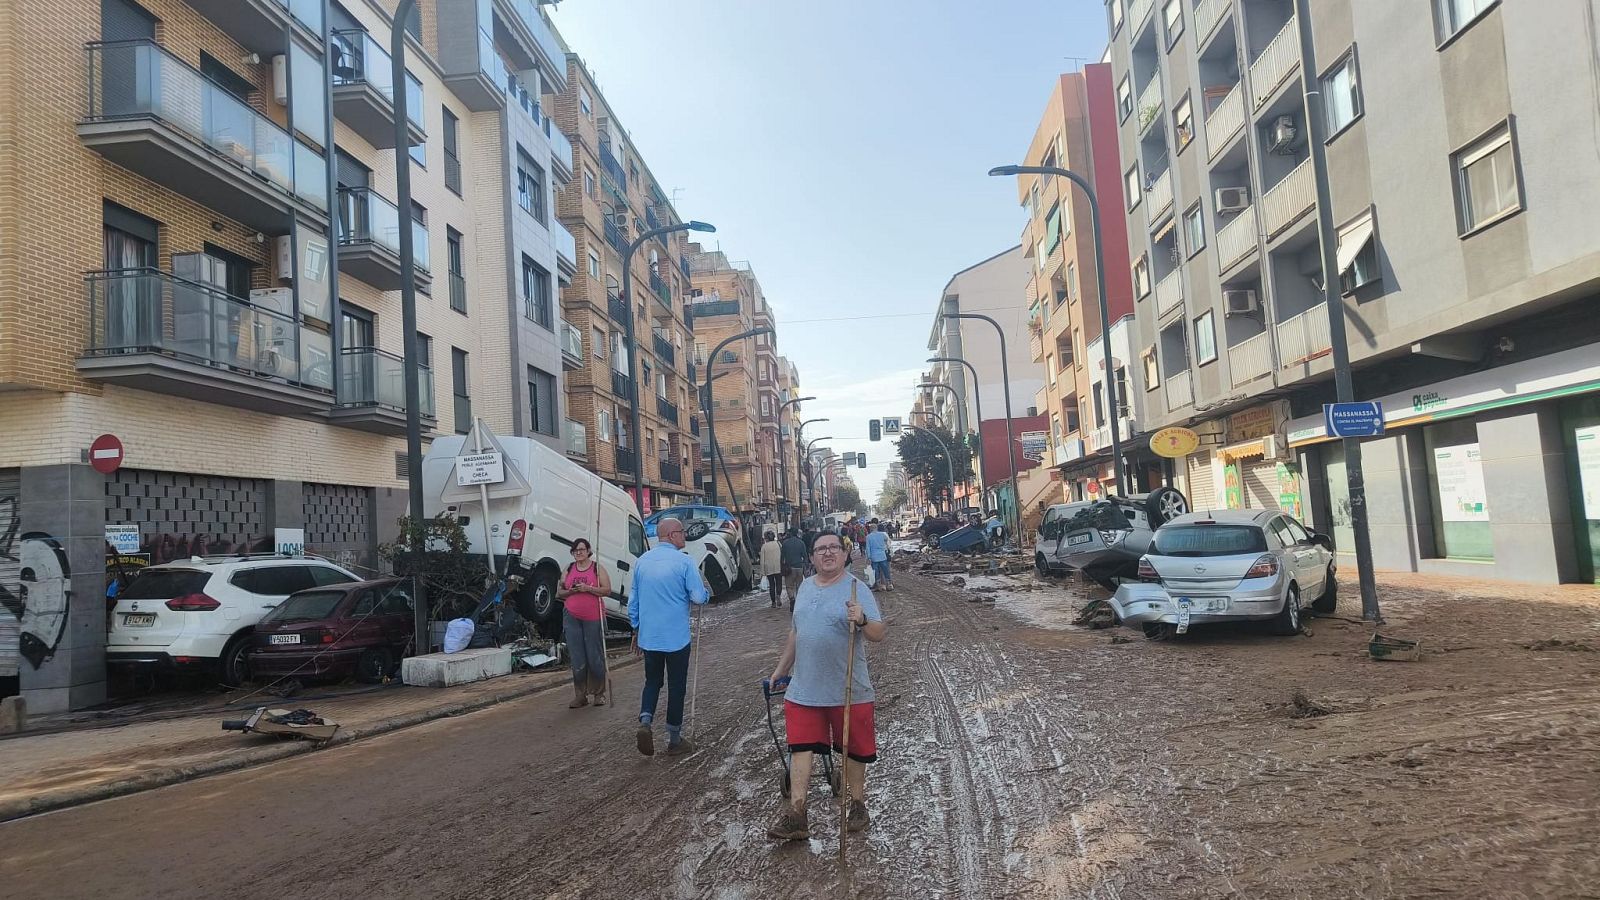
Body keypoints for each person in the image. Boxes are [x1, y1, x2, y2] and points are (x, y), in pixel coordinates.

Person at [766, 531, 887, 840]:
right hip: (805, 689)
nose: (828, 553)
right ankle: (798, 814)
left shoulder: (857, 589)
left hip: (848, 689)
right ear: (812, 557)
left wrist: (861, 620)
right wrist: (781, 670)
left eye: (834, 547)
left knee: (854, 751)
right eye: (821, 549)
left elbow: (878, 633)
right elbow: (796, 633)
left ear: (845, 554)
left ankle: (857, 805)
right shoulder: (805, 588)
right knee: (801, 748)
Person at [628, 517, 709, 756]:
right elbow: (697, 596)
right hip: (676, 638)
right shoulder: (685, 562)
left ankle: (645, 720)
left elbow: (634, 601)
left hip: (650, 637)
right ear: (672, 535)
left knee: (652, 681)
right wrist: (705, 594)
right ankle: (674, 737)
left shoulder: (642, 562)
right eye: (682, 532)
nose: (684, 535)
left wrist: (636, 628)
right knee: (676, 686)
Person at [555, 538, 612, 708]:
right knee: (577, 656)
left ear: (588, 551)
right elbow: (559, 592)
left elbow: (607, 589)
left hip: (593, 616)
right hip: (571, 616)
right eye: (575, 550)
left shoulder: (596, 568)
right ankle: (580, 694)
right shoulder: (569, 568)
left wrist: (589, 589)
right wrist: (570, 591)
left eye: (581, 549)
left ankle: (599, 693)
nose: (578, 553)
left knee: (594, 655)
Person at [781, 530, 808, 605]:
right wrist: (806, 566)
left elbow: (782, 556)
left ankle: (792, 599)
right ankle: (799, 602)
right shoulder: (801, 542)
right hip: (799, 567)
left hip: (789, 568)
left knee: (789, 586)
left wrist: (782, 566)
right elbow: (805, 556)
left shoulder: (785, 543)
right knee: (799, 586)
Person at [864, 519, 892, 592]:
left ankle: (879, 585)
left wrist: (868, 557)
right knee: (885, 570)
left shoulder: (868, 537)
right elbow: (887, 540)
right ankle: (889, 584)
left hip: (874, 557)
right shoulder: (882, 534)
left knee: (876, 571)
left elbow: (868, 548)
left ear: (870, 529)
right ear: (876, 528)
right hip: (882, 555)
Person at [760, 530, 785, 608]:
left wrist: (763, 572)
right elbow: (782, 555)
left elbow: (762, 560)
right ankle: (778, 595)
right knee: (779, 583)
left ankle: (773, 602)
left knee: (771, 585)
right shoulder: (778, 544)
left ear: (766, 538)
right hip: (778, 566)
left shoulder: (764, 546)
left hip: (768, 568)